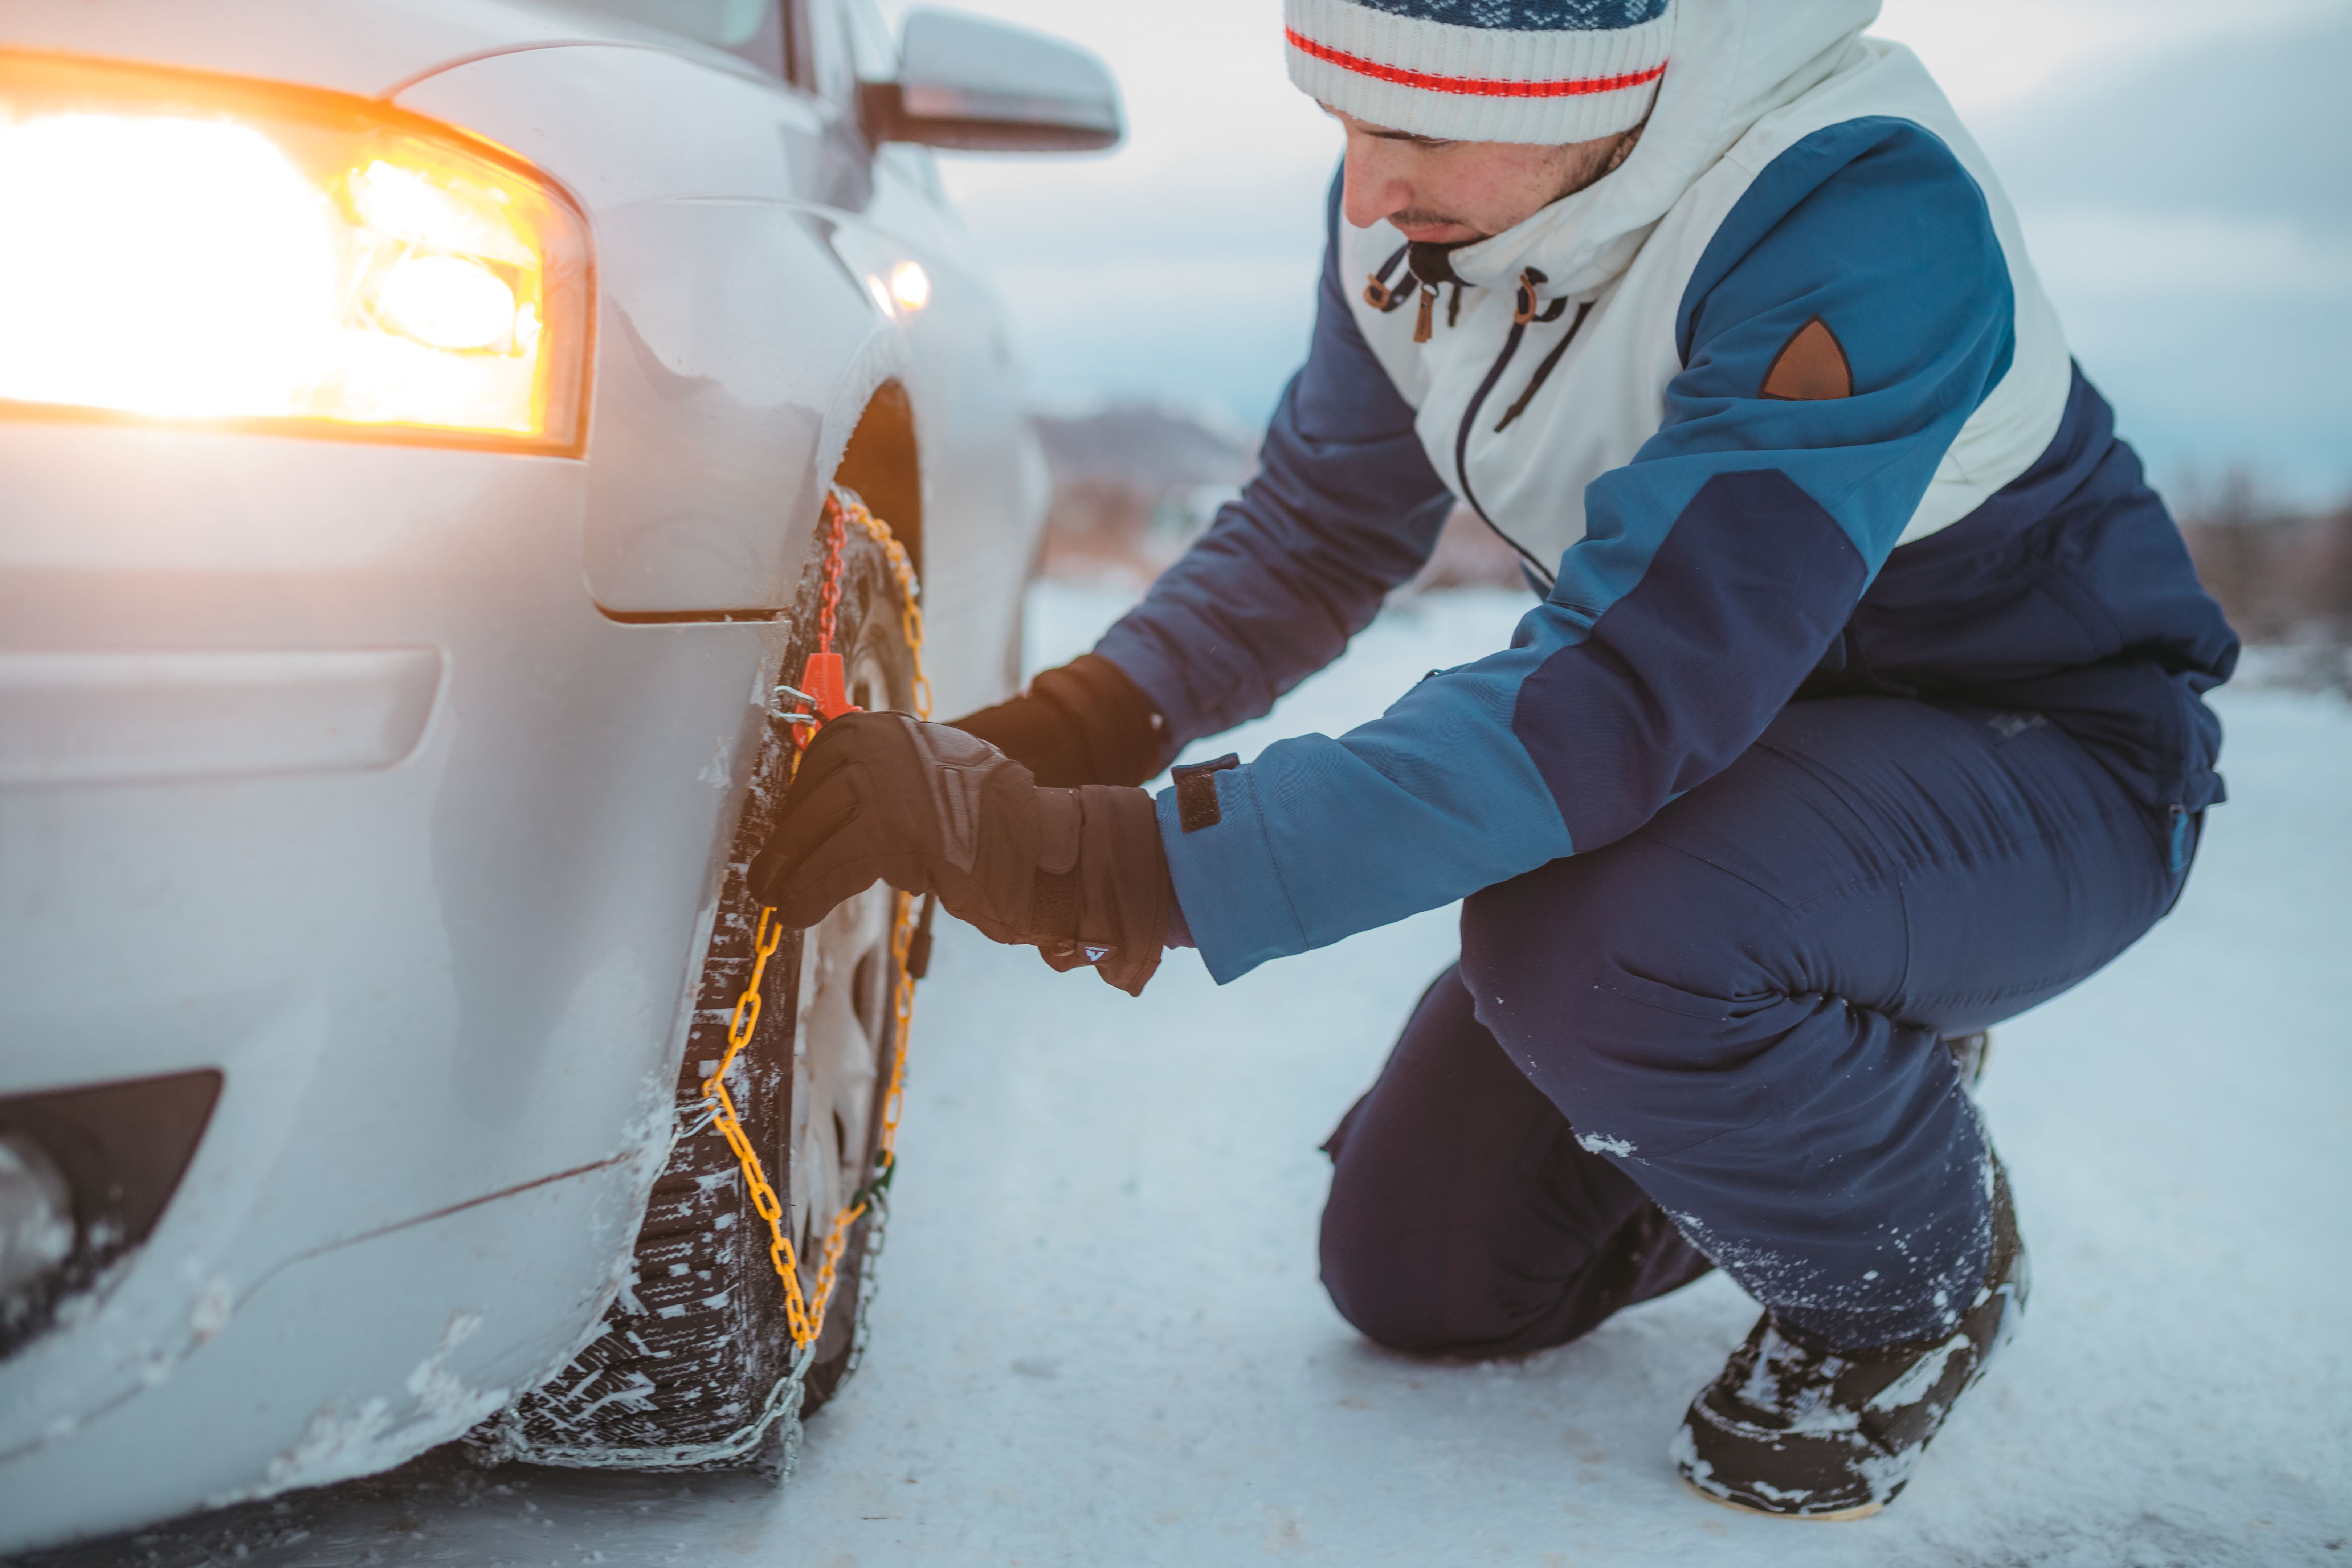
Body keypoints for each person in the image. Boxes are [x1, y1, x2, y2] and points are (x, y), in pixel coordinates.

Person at [749, 0, 2237, 1520]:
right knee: (1430, 1271)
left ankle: (1919, 1280)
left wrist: (1103, 863)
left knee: (1592, 948)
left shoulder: (1859, 217)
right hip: (1743, 776)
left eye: (1417, 130)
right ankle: (1825, 1066)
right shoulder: (1423, 210)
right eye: (1343, 120)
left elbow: (1626, 690)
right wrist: (1045, 741)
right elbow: (1316, 533)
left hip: (2042, 759)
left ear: (1579, 96)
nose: (1366, 185)